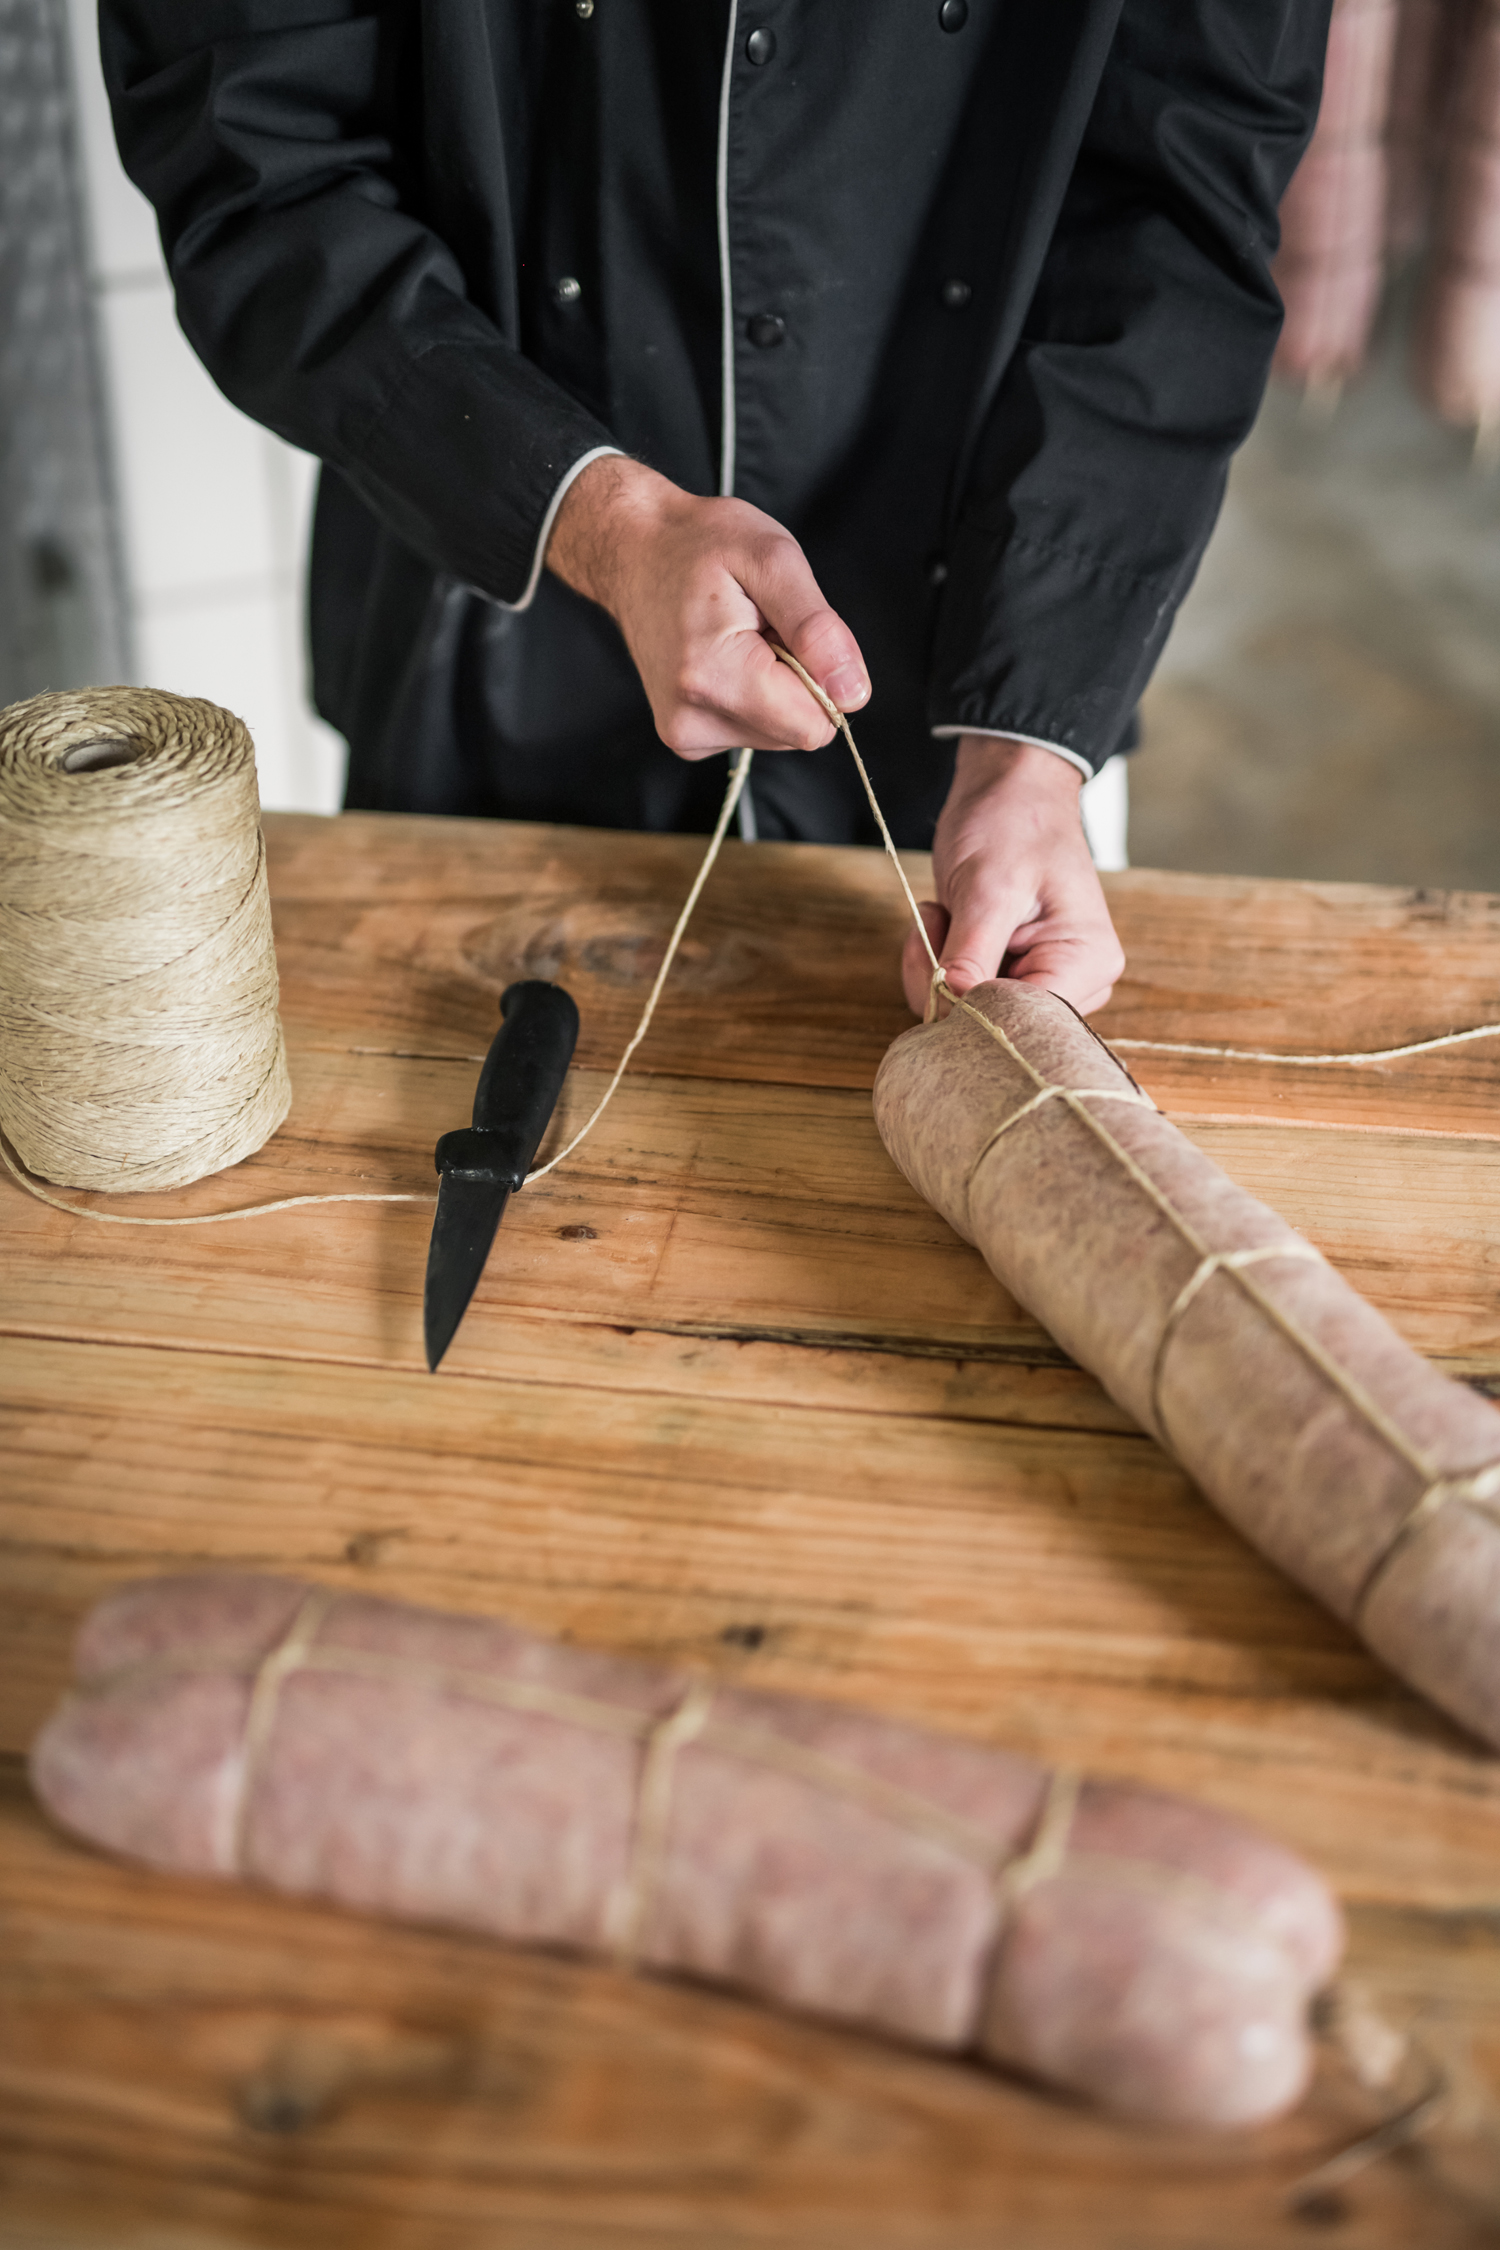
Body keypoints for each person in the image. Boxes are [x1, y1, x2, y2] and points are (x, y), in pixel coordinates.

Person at [100, 0, 1329, 1016]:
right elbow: (250, 160)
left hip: (996, 653)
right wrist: (588, 513)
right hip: (483, 626)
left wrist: (1031, 737)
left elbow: (1185, 198)